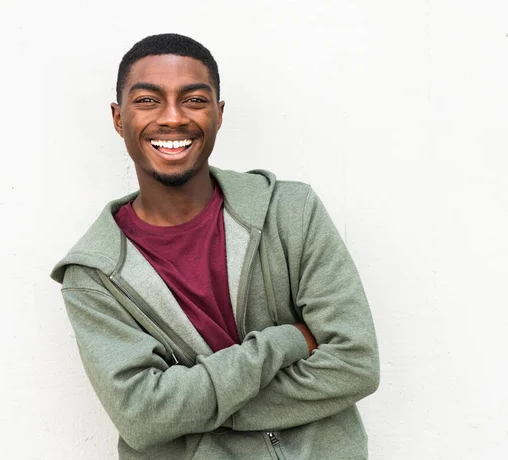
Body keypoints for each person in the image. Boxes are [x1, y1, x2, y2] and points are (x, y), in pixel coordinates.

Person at [51, 33, 379, 460]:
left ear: (219, 114)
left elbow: (355, 364)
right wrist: (285, 342)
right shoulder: (94, 274)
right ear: (118, 118)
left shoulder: (290, 212)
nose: (172, 118)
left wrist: (196, 410)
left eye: (194, 100)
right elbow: (144, 418)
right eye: (148, 100)